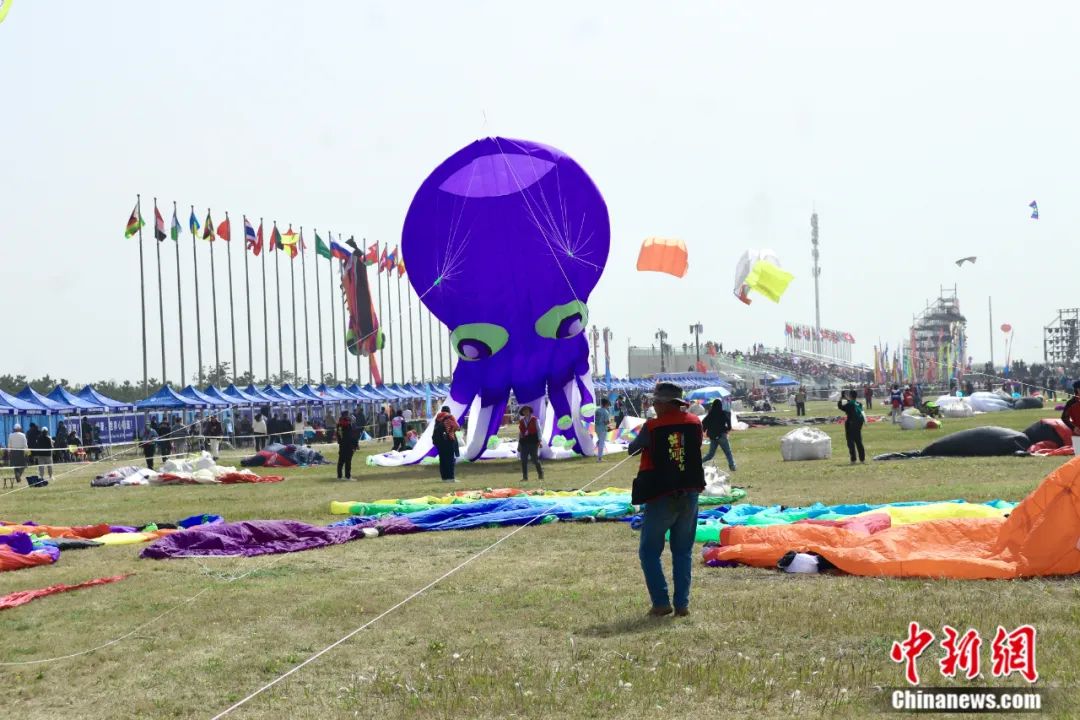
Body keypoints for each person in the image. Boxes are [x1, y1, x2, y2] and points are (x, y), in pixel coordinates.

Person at [629, 382, 704, 618]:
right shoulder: (695, 422)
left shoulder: (651, 426)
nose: (653, 405)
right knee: (682, 552)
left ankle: (661, 602)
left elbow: (632, 449)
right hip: (689, 492)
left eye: (655, 402)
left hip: (661, 494)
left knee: (649, 551)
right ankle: (682, 604)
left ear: (664, 404)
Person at [701, 398, 736, 471]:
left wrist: (705, 429)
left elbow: (704, 422)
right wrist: (727, 429)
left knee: (710, 454)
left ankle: (699, 462)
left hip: (713, 436)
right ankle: (732, 466)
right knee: (728, 452)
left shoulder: (710, 414)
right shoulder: (724, 413)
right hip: (721, 435)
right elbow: (729, 425)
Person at [432, 405, 460, 482]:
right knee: (450, 460)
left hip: (439, 443)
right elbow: (457, 427)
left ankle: (444, 478)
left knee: (443, 460)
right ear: (449, 411)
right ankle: (451, 478)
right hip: (448, 441)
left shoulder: (438, 418)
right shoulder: (449, 417)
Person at [838, 389, 866, 463]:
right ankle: (862, 459)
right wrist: (847, 399)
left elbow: (841, 407)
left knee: (851, 443)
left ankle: (853, 459)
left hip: (850, 424)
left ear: (850, 396)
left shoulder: (849, 404)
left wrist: (841, 399)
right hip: (858, 425)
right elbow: (852, 403)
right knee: (859, 442)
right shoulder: (859, 404)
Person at [517, 405, 543, 481]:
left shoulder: (534, 419)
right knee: (523, 460)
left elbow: (539, 430)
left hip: (533, 441)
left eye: (527, 410)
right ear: (522, 412)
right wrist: (519, 444)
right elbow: (521, 433)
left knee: (535, 460)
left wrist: (540, 440)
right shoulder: (521, 421)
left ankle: (540, 474)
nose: (526, 412)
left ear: (529, 411)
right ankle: (525, 477)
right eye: (524, 411)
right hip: (524, 442)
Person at [336, 411, 357, 480]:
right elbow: (352, 436)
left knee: (341, 460)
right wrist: (355, 445)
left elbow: (338, 435)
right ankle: (347, 476)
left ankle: (339, 476)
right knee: (348, 461)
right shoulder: (348, 424)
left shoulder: (339, 424)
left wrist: (340, 442)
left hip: (342, 444)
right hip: (348, 445)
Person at [594, 398, 612, 462]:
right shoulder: (605, 412)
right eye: (608, 404)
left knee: (600, 441)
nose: (608, 406)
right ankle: (599, 458)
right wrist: (609, 422)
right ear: (606, 404)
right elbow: (606, 422)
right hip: (602, 429)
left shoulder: (597, 410)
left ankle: (597, 444)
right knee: (602, 443)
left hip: (597, 428)